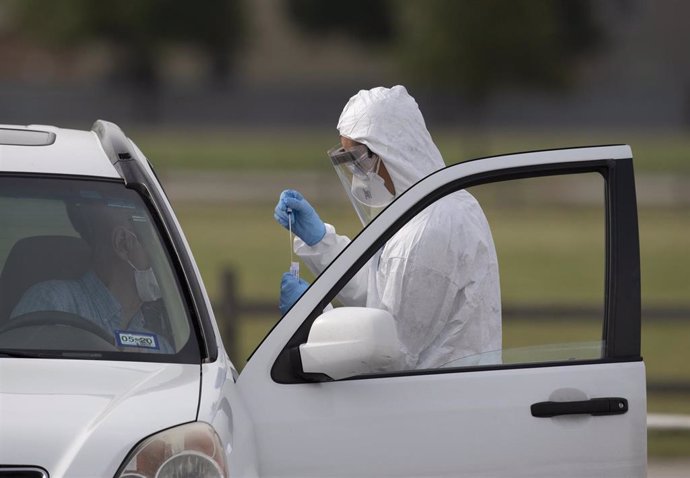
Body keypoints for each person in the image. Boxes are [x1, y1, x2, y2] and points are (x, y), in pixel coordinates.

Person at [274, 85, 501, 370]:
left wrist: (314, 319)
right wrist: (321, 243)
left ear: (391, 151)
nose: (357, 173)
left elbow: (388, 354)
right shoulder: (438, 205)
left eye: (357, 159)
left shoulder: (429, 230)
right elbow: (383, 291)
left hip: (434, 403)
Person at [10, 201, 173, 353]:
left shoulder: (160, 347)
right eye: (156, 248)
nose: (165, 262)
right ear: (123, 243)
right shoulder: (52, 303)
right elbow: (22, 374)